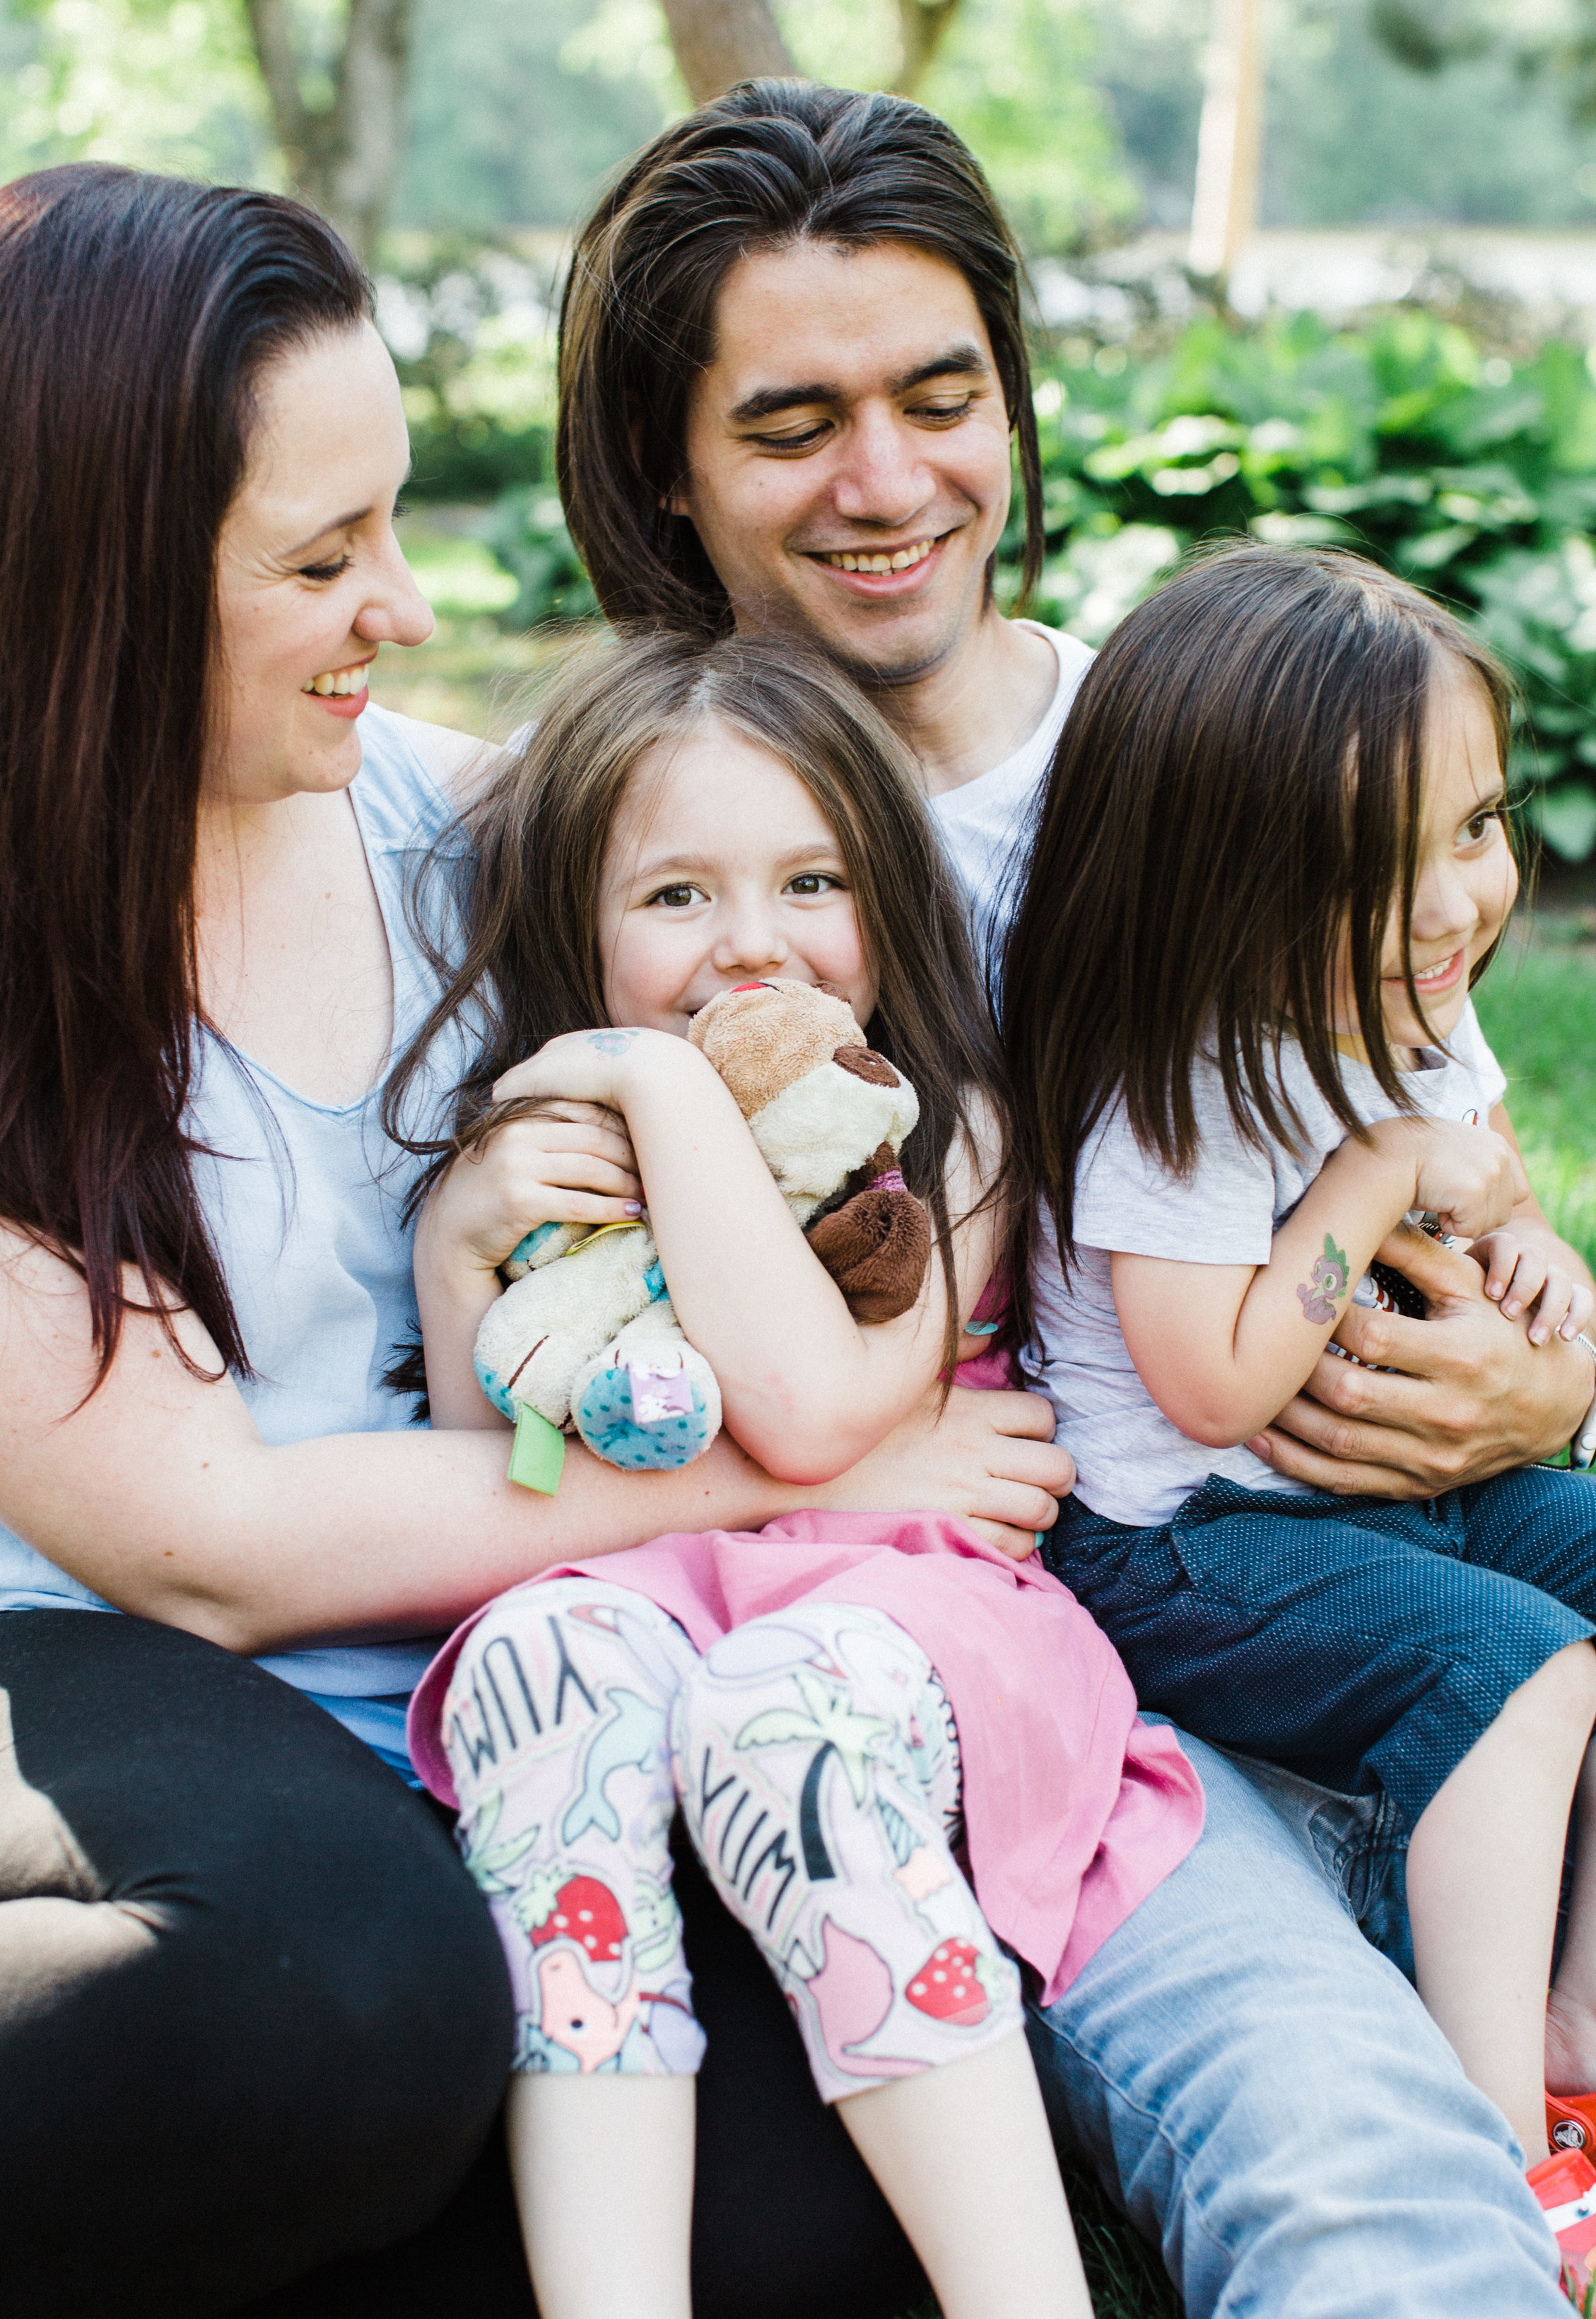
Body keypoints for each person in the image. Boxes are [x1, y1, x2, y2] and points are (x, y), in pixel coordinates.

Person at [550, 76, 1596, 2314]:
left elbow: (1442, 1159)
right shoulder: (624, 855)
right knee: (1368, 2173)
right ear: (661, 467)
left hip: (1384, 1565)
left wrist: (1544, 1388)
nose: (889, 484)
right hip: (1050, 1652)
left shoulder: (1202, 749)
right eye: (790, 423)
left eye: (939, 396)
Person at [0, 164, 1074, 2318]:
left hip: (464, 1662)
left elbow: (864, 1024)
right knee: (333, 2000)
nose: (404, 606)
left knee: (795, 2207)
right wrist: (814, 1464)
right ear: (90, 581)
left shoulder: (459, 831)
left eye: (393, 525)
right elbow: (207, 1540)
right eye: (319, 556)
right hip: (57, 1657)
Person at [394, 626, 1206, 2319]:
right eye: (674, 895)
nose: (750, 944)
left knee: (782, 1710)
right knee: (541, 1663)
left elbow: (821, 1412)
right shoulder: (543, 1149)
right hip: (628, 1581)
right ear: (576, 923)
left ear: (882, 894)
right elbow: (503, 1495)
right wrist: (465, 1240)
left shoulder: (946, 1128)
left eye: (809, 879)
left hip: (899, 1604)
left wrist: (658, 1081)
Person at [997, 537, 1596, 2312]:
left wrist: (1530, 1258)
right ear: (1219, 885)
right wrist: (1375, 1159)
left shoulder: (1417, 1008)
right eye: (1388, 867)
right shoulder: (1173, 1088)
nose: (1461, 899)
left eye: (1477, 824)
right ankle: (1499, 2143)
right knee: (1521, 1663)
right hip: (1181, 1550)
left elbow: (1503, 1198)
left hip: (1390, 1499)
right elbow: (1214, 1383)